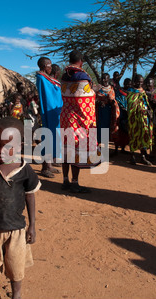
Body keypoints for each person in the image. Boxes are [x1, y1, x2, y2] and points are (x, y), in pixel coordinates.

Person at [0, 117, 41, 299]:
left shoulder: (25, 170)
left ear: (20, 146)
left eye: (8, 146)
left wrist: (32, 226)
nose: (1, 151)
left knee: (16, 265)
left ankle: (16, 294)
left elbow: (30, 196)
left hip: (16, 229)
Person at [60, 50, 98, 193]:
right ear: (81, 61)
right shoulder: (82, 76)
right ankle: (74, 183)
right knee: (76, 148)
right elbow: (87, 99)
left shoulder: (64, 76)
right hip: (77, 119)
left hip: (65, 117)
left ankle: (65, 181)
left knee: (66, 148)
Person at [36, 57, 63, 178]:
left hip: (53, 112)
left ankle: (49, 165)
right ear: (44, 65)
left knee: (53, 138)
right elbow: (50, 92)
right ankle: (44, 167)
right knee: (47, 138)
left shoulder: (47, 78)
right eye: (49, 66)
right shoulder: (42, 78)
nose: (51, 68)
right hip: (48, 112)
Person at [126, 74, 153, 166]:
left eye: (141, 82)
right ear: (134, 82)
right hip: (134, 117)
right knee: (134, 135)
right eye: (138, 81)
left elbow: (146, 103)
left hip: (144, 117)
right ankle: (132, 156)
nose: (140, 83)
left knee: (143, 135)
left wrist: (148, 110)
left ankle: (143, 157)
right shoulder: (131, 91)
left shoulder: (143, 92)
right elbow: (130, 104)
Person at [95, 73, 120, 145]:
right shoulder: (98, 88)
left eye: (105, 78)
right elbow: (94, 99)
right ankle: (98, 144)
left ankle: (104, 145)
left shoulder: (111, 89)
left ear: (108, 79)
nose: (103, 80)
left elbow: (113, 101)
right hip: (99, 110)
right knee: (99, 126)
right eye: (102, 78)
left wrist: (110, 101)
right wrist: (99, 102)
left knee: (106, 127)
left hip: (108, 111)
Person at [113, 78, 132, 155]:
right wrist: (122, 107)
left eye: (129, 84)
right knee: (118, 131)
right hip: (120, 113)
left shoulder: (131, 92)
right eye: (127, 84)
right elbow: (116, 100)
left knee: (126, 132)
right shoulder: (119, 92)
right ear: (124, 84)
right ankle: (116, 149)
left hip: (128, 114)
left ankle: (123, 148)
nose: (128, 85)